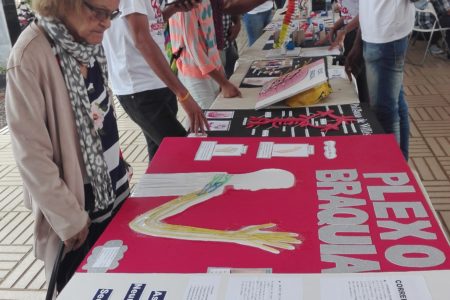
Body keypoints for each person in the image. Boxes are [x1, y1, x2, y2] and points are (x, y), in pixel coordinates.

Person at [5, 0, 130, 293]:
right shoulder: (29, 57)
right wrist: (69, 219)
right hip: (77, 210)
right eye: (98, 12)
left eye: (112, 13)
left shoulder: (87, 41)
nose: (107, 23)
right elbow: (31, 156)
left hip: (114, 189)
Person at [102, 0, 209, 160]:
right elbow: (141, 40)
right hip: (140, 87)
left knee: (162, 157)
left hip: (158, 81)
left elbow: (149, 26)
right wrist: (183, 94)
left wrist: (172, 10)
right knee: (184, 154)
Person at [346, 0, 415, 160]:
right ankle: (401, 165)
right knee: (395, 104)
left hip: (387, 35)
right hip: (375, 33)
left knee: (384, 112)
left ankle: (393, 169)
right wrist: (359, 41)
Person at [169, 0, 241, 109]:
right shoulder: (185, 4)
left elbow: (211, 40)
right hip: (194, 71)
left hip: (212, 69)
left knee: (208, 115)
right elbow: (193, 47)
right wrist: (224, 83)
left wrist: (221, 74)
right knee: (206, 116)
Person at [320, 0, 369, 103]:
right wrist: (334, 27)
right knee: (355, 76)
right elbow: (348, 16)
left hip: (360, 34)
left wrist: (344, 31)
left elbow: (365, 13)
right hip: (352, 33)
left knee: (357, 77)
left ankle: (364, 108)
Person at [222, 14, 241, 78]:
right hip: (213, 50)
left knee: (235, 75)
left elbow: (232, 7)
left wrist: (238, 24)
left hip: (229, 44)